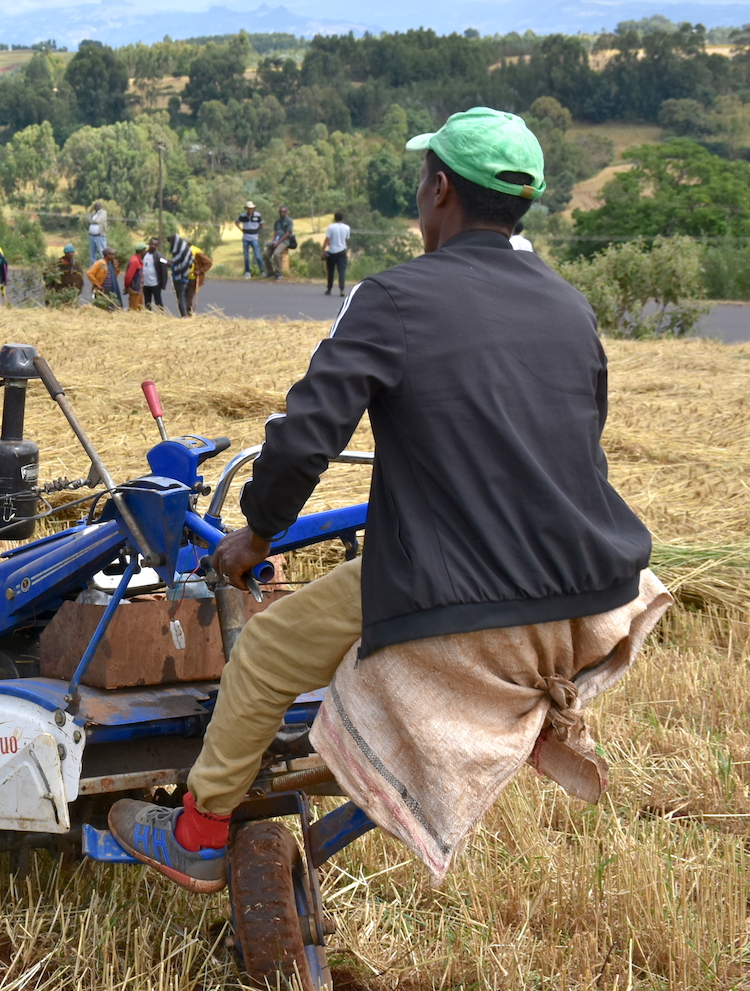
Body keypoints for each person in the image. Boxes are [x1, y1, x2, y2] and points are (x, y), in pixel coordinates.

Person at [106, 106, 664, 896]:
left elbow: (304, 437)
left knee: (264, 655)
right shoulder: (570, 307)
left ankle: (196, 833)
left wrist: (256, 535)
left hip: (463, 584)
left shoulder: (397, 298)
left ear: (438, 188)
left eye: (419, 179)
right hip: (588, 582)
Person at [164, 231, 194, 317]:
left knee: (180, 297)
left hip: (180, 277)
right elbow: (190, 262)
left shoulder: (179, 250)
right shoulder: (186, 248)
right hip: (185, 276)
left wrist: (171, 265)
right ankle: (185, 315)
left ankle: (184, 316)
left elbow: (179, 266)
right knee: (183, 297)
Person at [88, 246, 127, 310]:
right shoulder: (100, 263)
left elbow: (114, 276)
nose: (114, 256)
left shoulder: (110, 264)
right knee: (102, 305)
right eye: (112, 254)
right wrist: (98, 285)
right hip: (102, 288)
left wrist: (115, 267)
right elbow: (90, 273)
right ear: (107, 255)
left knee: (111, 305)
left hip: (111, 288)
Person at [324, 212, 351, 296]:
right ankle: (342, 290)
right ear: (342, 218)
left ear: (334, 218)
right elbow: (346, 240)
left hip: (332, 252)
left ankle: (329, 289)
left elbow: (327, 240)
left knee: (331, 271)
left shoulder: (331, 227)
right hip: (342, 251)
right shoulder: (347, 227)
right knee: (341, 271)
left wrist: (323, 250)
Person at [236, 200, 264, 277]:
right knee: (246, 256)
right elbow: (237, 222)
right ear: (246, 209)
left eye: (251, 208)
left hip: (254, 238)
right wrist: (241, 229)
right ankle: (248, 272)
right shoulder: (243, 216)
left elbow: (261, 224)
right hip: (246, 238)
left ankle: (262, 271)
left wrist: (256, 230)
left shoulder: (257, 215)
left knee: (257, 256)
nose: (250, 210)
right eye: (248, 208)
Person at [267, 206, 295, 279]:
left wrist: (278, 242)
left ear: (286, 212)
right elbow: (275, 232)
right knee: (266, 254)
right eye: (280, 211)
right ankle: (270, 271)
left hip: (284, 241)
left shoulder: (289, 221)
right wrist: (272, 241)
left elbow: (288, 233)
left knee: (276, 253)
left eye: (284, 212)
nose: (282, 213)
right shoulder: (277, 221)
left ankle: (279, 273)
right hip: (276, 240)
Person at [145, 237, 170, 313]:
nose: (153, 246)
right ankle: (148, 315)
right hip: (145, 283)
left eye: (155, 245)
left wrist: (163, 284)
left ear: (157, 246)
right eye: (152, 244)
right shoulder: (145, 254)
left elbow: (164, 267)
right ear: (149, 244)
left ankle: (161, 315)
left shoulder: (159, 256)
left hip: (155, 283)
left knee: (158, 301)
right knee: (147, 302)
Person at [186, 247, 212, 313]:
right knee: (183, 300)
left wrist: (200, 271)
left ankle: (189, 314)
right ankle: (188, 313)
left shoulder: (196, 252)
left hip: (193, 280)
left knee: (187, 301)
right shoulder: (182, 250)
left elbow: (209, 263)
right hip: (184, 279)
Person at [123, 243, 148, 311]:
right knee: (133, 309)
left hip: (138, 289)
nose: (146, 252)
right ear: (142, 251)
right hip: (135, 289)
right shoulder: (135, 261)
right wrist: (128, 287)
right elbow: (128, 277)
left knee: (139, 309)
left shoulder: (138, 260)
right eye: (145, 250)